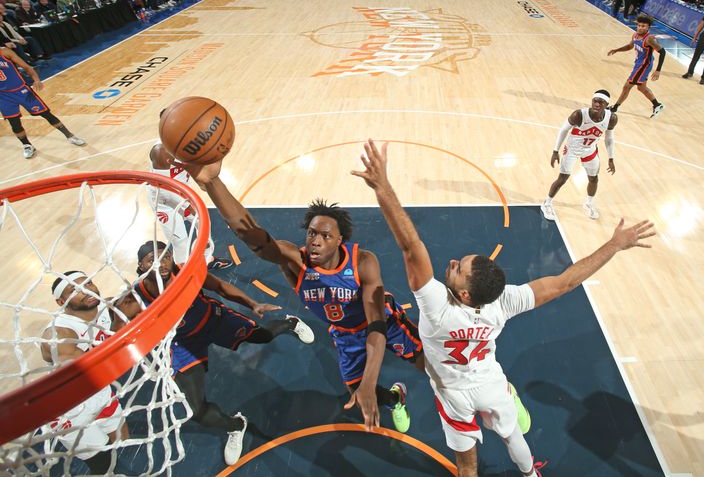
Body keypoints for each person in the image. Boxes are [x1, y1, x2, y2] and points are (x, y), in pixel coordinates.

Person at [351, 139, 655, 477]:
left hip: (453, 392)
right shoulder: (502, 301)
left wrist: (382, 187)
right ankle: (530, 474)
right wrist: (613, 245)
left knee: (467, 465)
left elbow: (410, 246)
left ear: (465, 295)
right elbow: (566, 281)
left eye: (458, 268)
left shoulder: (437, 306)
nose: (451, 262)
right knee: (513, 435)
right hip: (490, 383)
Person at [182, 162, 430, 434]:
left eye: (325, 235)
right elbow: (251, 235)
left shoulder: (362, 262)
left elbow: (376, 326)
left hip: (384, 323)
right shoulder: (295, 261)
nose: (316, 240)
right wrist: (213, 182)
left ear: (339, 241)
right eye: (312, 233)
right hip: (345, 333)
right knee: (355, 390)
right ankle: (396, 398)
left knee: (429, 367)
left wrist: (371, 381)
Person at [133, 240, 314, 465]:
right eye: (152, 260)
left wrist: (252, 303)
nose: (160, 263)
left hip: (213, 321)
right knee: (197, 410)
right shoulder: (135, 297)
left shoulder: (186, 272)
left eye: (165, 256)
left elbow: (219, 287)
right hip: (182, 345)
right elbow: (116, 326)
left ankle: (290, 323)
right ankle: (236, 425)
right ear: (141, 266)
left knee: (263, 336)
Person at [40, 271, 137, 474]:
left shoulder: (103, 307)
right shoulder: (58, 333)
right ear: (61, 302)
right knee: (103, 463)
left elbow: (135, 304)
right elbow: (96, 368)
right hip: (69, 409)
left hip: (99, 391)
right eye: (74, 289)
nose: (86, 289)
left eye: (88, 282)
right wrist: (121, 324)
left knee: (122, 438)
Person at [148, 140, 234, 270]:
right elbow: (163, 189)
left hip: (183, 195)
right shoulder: (161, 151)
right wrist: (187, 207)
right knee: (180, 240)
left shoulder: (191, 142)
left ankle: (207, 259)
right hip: (163, 202)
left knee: (204, 222)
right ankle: (181, 273)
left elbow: (198, 171)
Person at [541, 90, 618, 221]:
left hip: (590, 150)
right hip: (572, 150)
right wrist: (555, 151)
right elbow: (564, 129)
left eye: (601, 102)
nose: (597, 104)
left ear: (606, 104)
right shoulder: (579, 115)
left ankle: (588, 203)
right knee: (563, 178)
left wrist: (611, 158)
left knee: (594, 179)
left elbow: (609, 138)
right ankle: (546, 203)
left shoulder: (611, 118)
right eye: (595, 101)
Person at [0, 46, 85, 159]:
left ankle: (70, 136)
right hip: (4, 96)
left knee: (46, 114)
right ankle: (27, 145)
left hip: (22, 91)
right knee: (14, 123)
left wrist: (36, 80)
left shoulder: (4, 52)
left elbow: (26, 66)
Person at [607, 14, 666, 118]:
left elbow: (663, 52)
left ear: (648, 27)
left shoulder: (650, 39)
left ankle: (615, 107)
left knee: (627, 86)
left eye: (643, 26)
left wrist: (658, 70)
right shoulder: (635, 35)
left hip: (644, 65)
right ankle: (657, 105)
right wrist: (617, 50)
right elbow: (630, 46)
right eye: (639, 25)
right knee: (641, 87)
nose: (640, 27)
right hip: (638, 63)